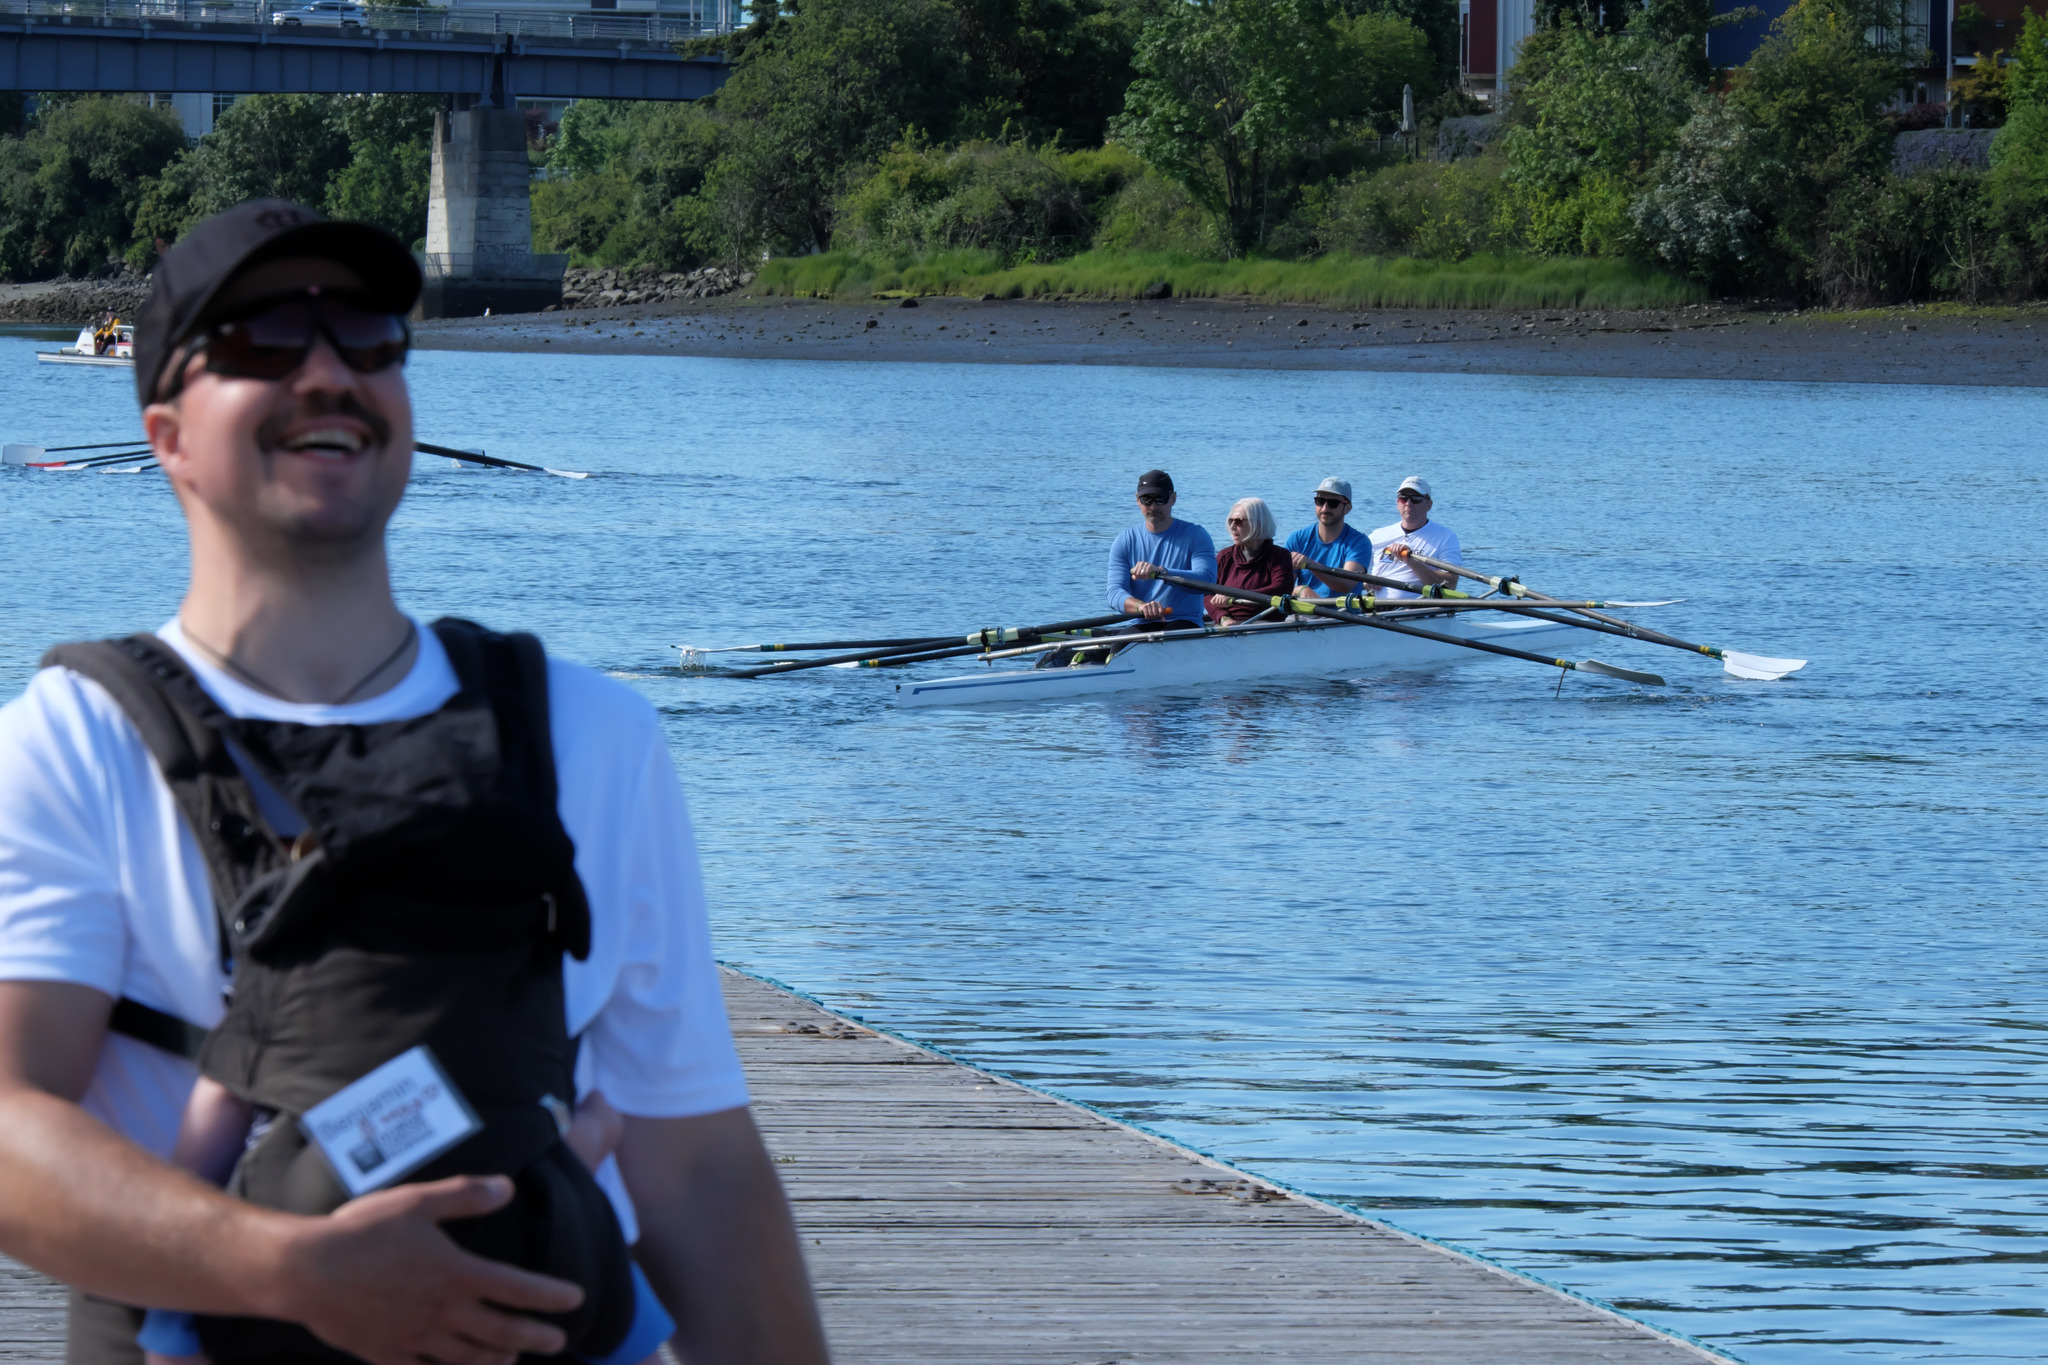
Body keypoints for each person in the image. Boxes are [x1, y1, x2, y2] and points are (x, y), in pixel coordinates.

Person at [0, 201, 828, 1365]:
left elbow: (696, 1164)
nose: (328, 370)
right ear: (167, 436)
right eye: (261, 340)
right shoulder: (66, 745)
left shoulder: (592, 735)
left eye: (368, 338)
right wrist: (288, 1272)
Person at [1107, 469, 1216, 628]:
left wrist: (1161, 572)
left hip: (1184, 621)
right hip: (1141, 621)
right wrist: (1140, 606)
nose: (1152, 506)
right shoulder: (1124, 541)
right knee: (1118, 649)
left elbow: (1207, 579)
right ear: (1137, 500)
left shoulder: (1196, 535)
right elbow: (1114, 592)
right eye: (1146, 499)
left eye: (1160, 499)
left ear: (1173, 498)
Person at [1368, 476, 1462, 599]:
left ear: (1429, 505)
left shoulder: (1445, 537)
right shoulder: (1378, 535)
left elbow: (1450, 585)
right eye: (1403, 498)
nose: (1408, 503)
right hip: (1377, 609)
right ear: (1398, 503)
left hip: (1419, 611)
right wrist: (1366, 581)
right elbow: (1354, 574)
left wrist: (1410, 561)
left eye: (1416, 498)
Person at [1282, 478, 1374, 599]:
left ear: (1347, 508)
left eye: (1333, 503)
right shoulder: (1297, 539)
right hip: (1305, 613)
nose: (1325, 508)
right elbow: (1282, 587)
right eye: (1320, 501)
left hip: (1343, 614)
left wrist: (1311, 564)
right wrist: (1299, 590)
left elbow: (1346, 584)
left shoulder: (1359, 542)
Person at [1207, 498, 1293, 625]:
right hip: (1227, 623)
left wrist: (1235, 595)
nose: (1232, 527)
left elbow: (1280, 589)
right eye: (1231, 521)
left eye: (1238, 521)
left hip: (1265, 623)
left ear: (1257, 524)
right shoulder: (1224, 556)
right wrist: (1223, 618)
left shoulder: (1280, 556)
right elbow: (1207, 594)